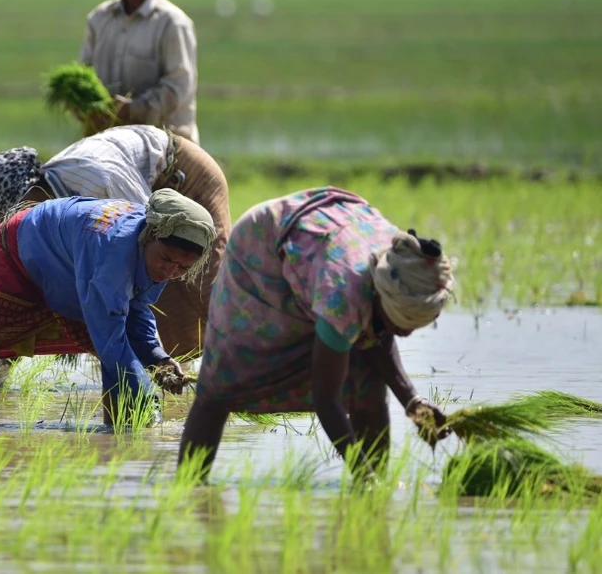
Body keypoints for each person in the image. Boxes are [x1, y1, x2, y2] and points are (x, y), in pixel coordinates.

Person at [177, 187, 455, 481]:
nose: (406, 335)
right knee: (220, 385)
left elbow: (377, 332)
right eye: (403, 325)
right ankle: (189, 485)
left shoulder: (401, 262)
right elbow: (327, 399)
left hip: (323, 245)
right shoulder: (344, 294)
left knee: (368, 384)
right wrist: (362, 474)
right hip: (262, 251)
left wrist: (413, 403)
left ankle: (379, 481)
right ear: (382, 298)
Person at [0, 189, 217, 427]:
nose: (171, 271)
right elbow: (113, 339)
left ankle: (116, 428)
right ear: (150, 233)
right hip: (14, 251)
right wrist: (150, 404)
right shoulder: (113, 251)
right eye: (167, 260)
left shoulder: (155, 254)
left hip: (68, 266)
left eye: (184, 268)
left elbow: (137, 308)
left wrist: (158, 360)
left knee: (111, 352)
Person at [0, 125, 230, 358]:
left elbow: (143, 224)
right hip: (151, 192)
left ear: (31, 188)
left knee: (205, 290)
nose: (19, 217)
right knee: (150, 302)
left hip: (184, 176)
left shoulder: (95, 178)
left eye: (18, 207)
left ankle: (248, 372)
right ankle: (172, 381)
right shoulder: (54, 210)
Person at [79, 0, 199, 143]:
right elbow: (83, 74)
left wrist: (135, 109)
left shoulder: (172, 24)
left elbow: (178, 87)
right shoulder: (99, 19)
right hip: (105, 142)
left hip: (166, 145)